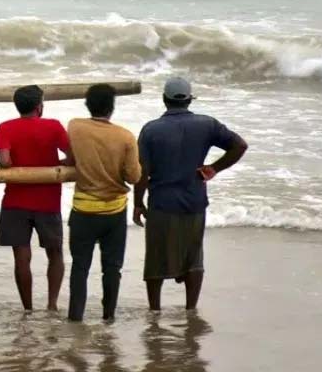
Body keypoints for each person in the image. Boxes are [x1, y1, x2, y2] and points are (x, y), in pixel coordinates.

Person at [133, 77, 248, 311]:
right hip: (194, 201)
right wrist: (214, 168)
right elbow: (240, 145)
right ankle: (190, 308)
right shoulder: (207, 124)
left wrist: (138, 203)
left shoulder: (151, 130)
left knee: (156, 258)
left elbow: (142, 171)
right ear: (189, 100)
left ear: (164, 100)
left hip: (162, 203)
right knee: (193, 257)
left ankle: (155, 310)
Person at [65, 83, 141, 322]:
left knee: (80, 267)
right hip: (114, 211)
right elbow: (134, 177)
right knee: (112, 268)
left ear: (87, 105)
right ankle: (108, 316)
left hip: (83, 209)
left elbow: (71, 156)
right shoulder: (126, 136)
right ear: (112, 108)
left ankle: (75, 316)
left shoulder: (75, 127)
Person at [0, 85, 71, 312]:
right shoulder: (53, 126)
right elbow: (73, 155)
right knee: (55, 253)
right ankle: (52, 304)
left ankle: (27, 308)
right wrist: (60, 165)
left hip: (15, 200)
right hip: (48, 200)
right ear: (40, 106)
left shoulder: (5, 127)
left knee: (21, 257)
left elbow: (4, 161)